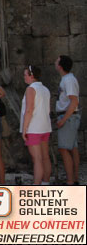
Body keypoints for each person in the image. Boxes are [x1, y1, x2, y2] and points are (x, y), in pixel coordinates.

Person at [21, 65, 52, 185]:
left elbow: (29, 110)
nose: (24, 77)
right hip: (45, 127)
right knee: (45, 157)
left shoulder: (31, 89)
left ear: (31, 75)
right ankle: (46, 183)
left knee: (37, 160)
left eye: (25, 75)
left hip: (33, 128)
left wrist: (24, 129)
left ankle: (36, 186)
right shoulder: (45, 89)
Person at [55, 55, 80, 185]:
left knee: (64, 149)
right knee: (72, 148)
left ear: (60, 65)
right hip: (70, 117)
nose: (55, 62)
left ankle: (70, 181)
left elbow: (74, 100)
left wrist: (64, 119)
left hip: (68, 117)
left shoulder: (68, 80)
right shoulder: (66, 79)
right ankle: (74, 178)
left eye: (57, 61)